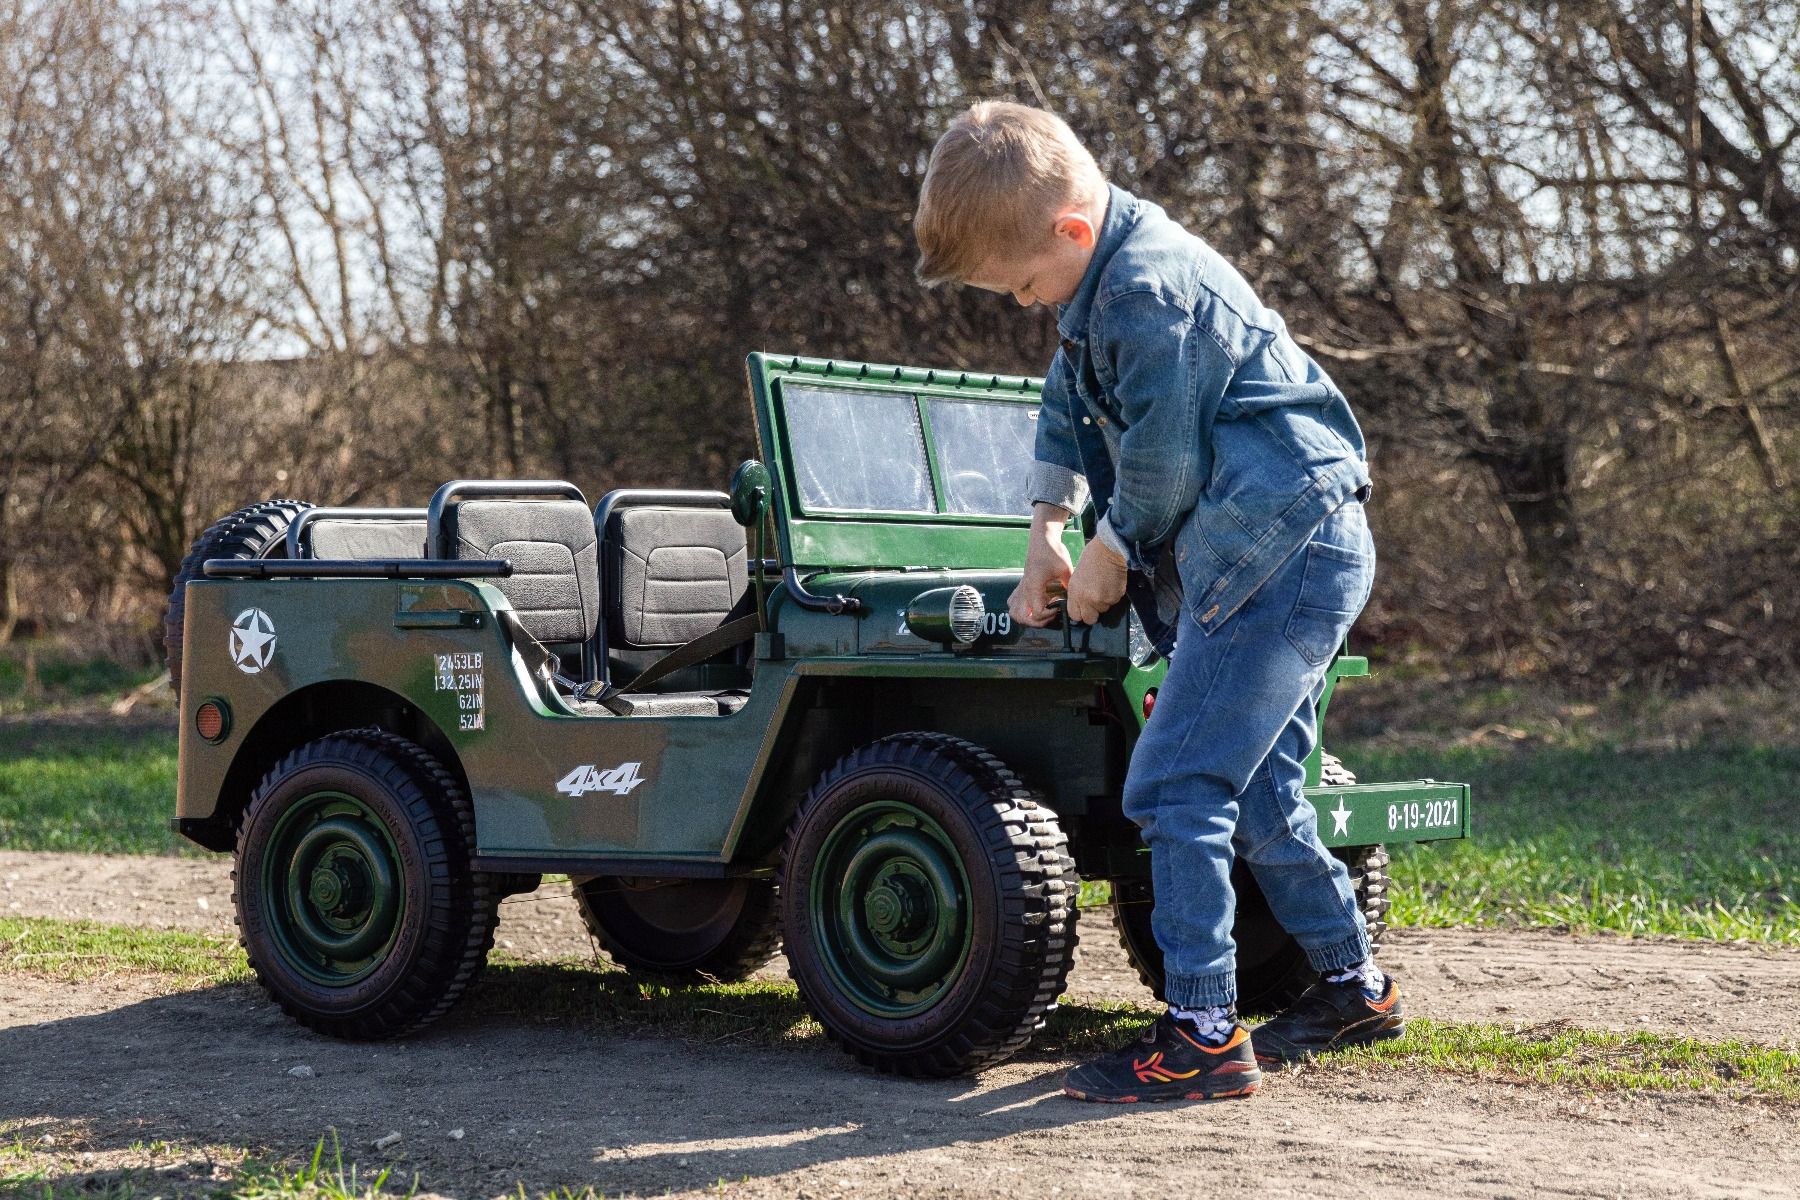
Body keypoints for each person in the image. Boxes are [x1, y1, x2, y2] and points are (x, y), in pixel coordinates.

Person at [913, 100, 1402, 1103]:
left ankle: (1203, 1036)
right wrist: (1047, 524)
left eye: (1023, 284)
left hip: (1278, 549)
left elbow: (1165, 459)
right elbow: (1066, 385)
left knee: (1177, 786)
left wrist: (1113, 549)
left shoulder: (1145, 292)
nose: (1024, 304)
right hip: (1295, 547)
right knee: (1262, 791)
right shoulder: (1102, 283)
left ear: (1071, 234)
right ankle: (1357, 988)